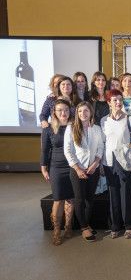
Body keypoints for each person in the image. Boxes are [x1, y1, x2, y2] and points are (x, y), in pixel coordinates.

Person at [101, 89, 131, 239]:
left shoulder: (129, 119)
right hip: (109, 161)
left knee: (127, 194)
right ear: (108, 103)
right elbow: (103, 143)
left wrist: (129, 147)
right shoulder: (103, 120)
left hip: (125, 161)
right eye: (114, 100)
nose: (118, 102)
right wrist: (101, 163)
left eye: (119, 99)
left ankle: (129, 226)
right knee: (113, 194)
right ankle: (115, 226)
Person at [64, 101, 104, 242]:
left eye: (86, 111)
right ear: (77, 114)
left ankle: (85, 224)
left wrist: (95, 164)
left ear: (90, 112)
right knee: (79, 199)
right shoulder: (71, 128)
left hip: (93, 169)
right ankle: (84, 228)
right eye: (80, 111)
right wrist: (77, 168)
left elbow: (100, 148)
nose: (83, 114)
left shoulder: (97, 129)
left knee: (89, 199)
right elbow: (68, 150)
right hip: (77, 169)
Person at [40, 99, 74, 245]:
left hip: (72, 166)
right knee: (58, 199)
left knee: (70, 198)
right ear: (54, 112)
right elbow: (44, 149)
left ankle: (68, 227)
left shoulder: (74, 127)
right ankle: (56, 230)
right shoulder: (48, 129)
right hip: (56, 167)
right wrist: (43, 167)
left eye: (66, 110)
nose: (63, 113)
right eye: (60, 110)